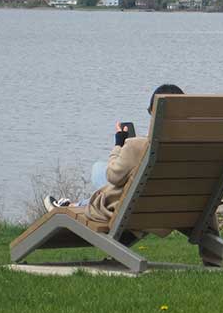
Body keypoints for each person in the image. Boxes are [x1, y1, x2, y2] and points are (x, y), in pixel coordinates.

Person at [43, 84, 185, 223]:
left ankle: (70, 207)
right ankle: (74, 205)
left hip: (139, 209)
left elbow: (113, 177)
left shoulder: (138, 145)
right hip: (176, 208)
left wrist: (119, 145)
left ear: (154, 113)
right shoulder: (197, 144)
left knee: (99, 169)